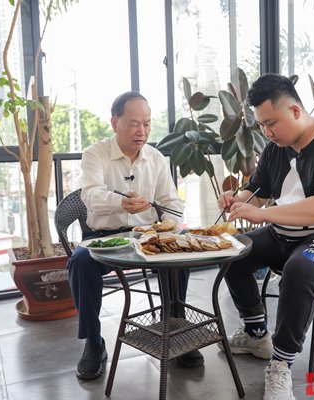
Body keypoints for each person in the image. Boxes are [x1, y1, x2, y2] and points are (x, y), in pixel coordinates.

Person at [217, 74, 314, 400]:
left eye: (271, 123)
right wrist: (237, 199)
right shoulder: (276, 148)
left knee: (300, 270)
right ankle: (256, 334)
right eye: (261, 125)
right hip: (284, 234)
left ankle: (280, 365)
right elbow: (258, 192)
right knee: (231, 251)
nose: (267, 132)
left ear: (296, 111)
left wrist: (263, 215)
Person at [67, 91, 204, 380]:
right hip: (104, 236)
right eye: (133, 124)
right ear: (114, 122)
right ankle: (93, 342)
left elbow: (171, 202)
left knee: (181, 256)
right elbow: (89, 195)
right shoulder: (95, 154)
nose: (141, 131)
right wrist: (121, 202)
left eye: (147, 124)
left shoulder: (156, 158)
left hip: (147, 234)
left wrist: (170, 225)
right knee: (80, 262)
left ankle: (175, 327)